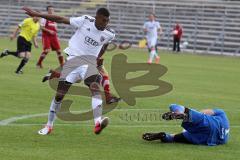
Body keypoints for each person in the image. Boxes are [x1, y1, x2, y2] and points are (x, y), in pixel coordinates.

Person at [23, 7, 119, 135]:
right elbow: (60, 19)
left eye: (107, 21)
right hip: (73, 62)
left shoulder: (109, 34)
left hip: (89, 64)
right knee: (59, 96)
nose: (105, 24)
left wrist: (98, 58)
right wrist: (37, 14)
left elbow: (104, 46)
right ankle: (49, 126)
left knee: (95, 87)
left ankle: (97, 123)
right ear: (96, 17)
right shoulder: (85, 20)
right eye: (103, 21)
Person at [143, 104, 230, 146]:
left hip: (209, 124)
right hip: (210, 140)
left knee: (174, 105)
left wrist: (194, 116)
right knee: (174, 138)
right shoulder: (226, 137)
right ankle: (165, 136)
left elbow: (204, 113)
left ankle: (179, 112)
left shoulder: (221, 113)